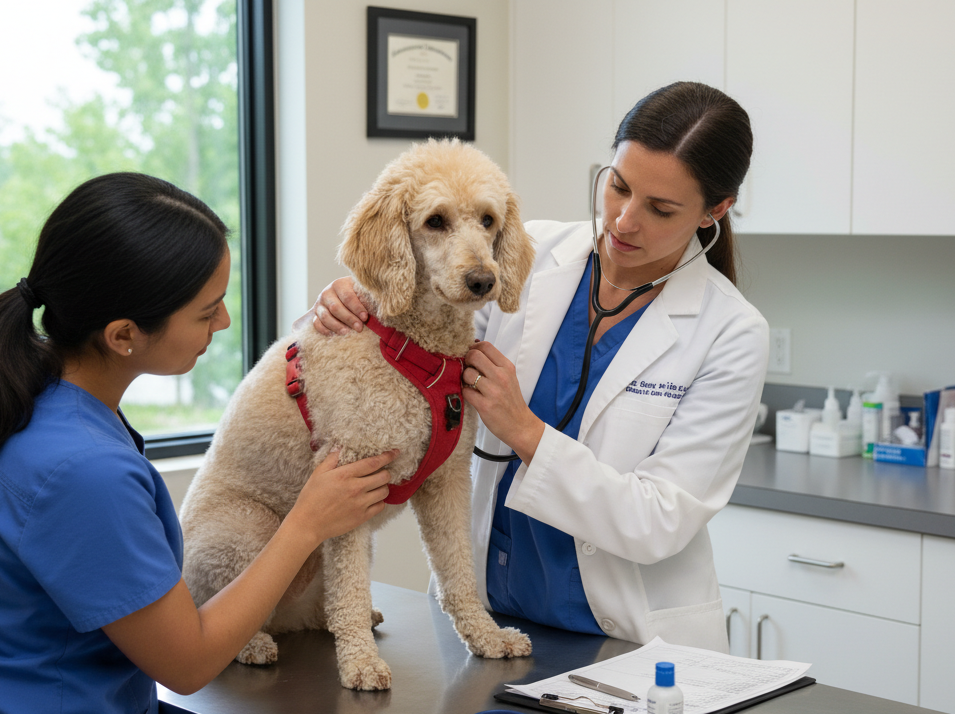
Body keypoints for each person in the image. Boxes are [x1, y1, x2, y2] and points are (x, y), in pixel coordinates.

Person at [0, 172, 397, 714]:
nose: (222, 325)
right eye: (207, 311)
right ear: (124, 336)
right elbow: (187, 663)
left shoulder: (31, 403)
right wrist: (305, 524)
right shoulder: (83, 472)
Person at [310, 81, 768, 651]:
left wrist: (524, 431)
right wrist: (356, 298)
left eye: (660, 208)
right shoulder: (523, 252)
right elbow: (422, 328)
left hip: (626, 641)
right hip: (486, 618)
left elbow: (659, 521)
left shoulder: (731, 332)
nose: (624, 221)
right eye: (618, 186)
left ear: (715, 210)